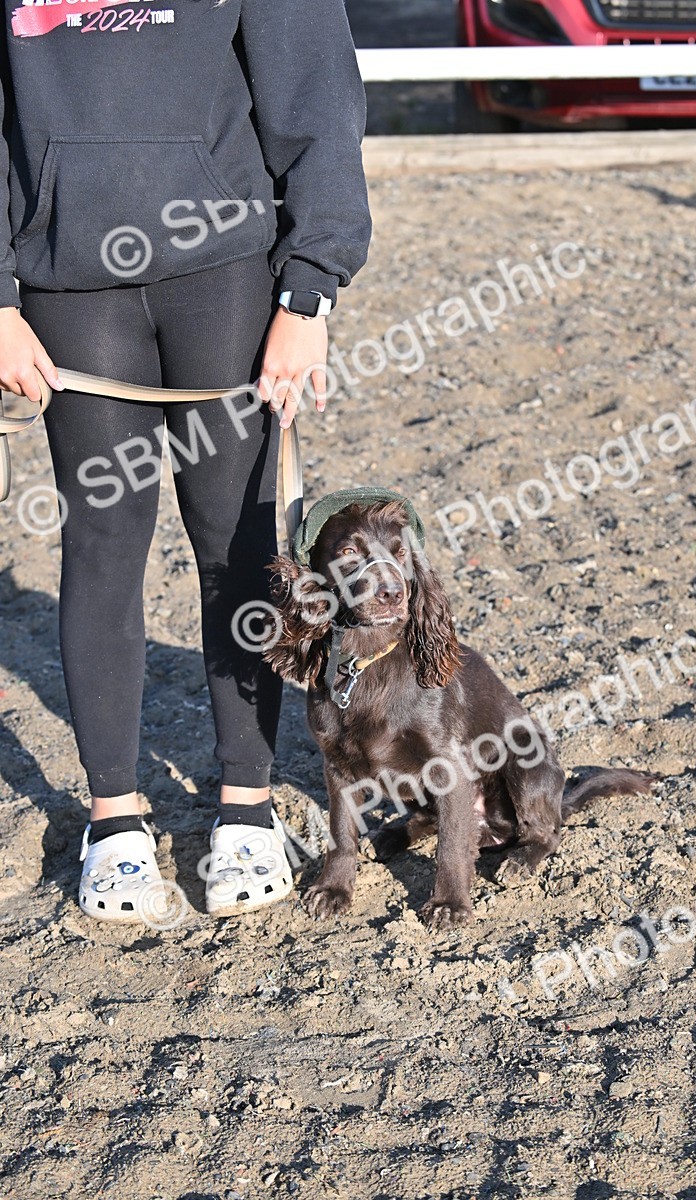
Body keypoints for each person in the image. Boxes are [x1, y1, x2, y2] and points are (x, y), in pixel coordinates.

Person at [0, 0, 371, 922]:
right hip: (69, 290)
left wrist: (309, 293)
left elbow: (317, 98)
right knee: (103, 542)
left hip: (226, 278)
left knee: (240, 544)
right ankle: (115, 822)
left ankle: (245, 805)